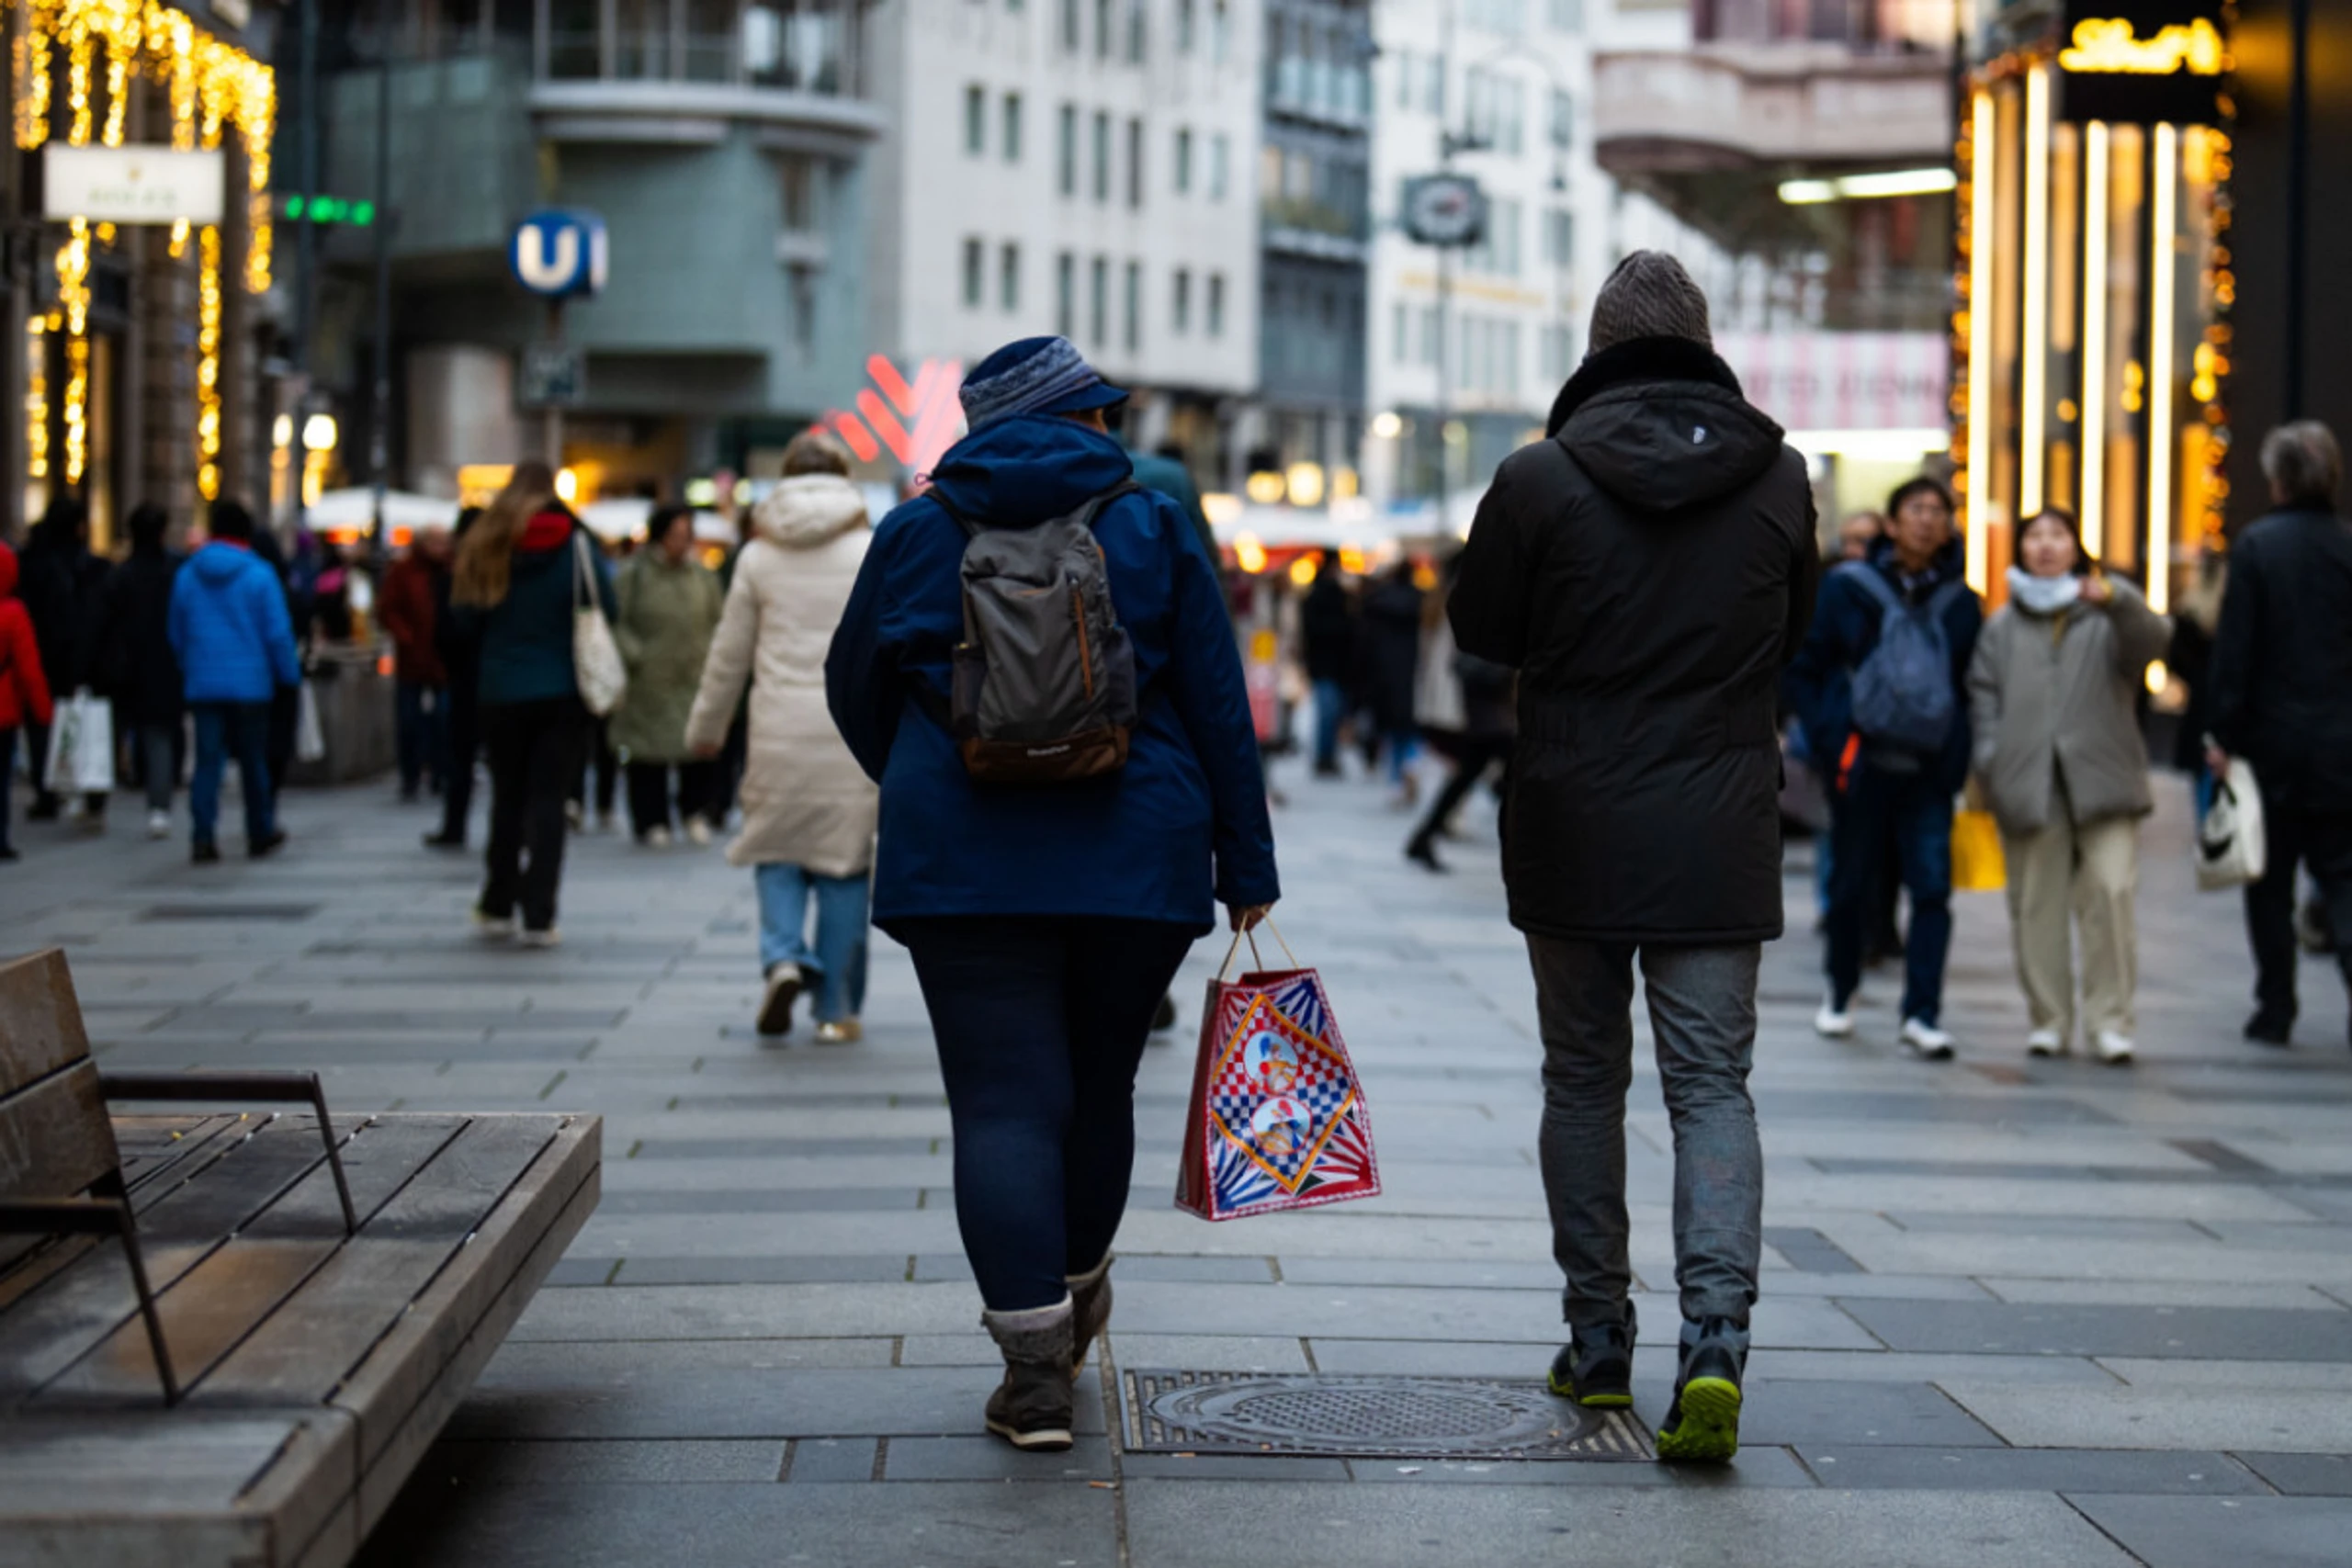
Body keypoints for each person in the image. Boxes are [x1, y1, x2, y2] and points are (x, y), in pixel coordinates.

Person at [826, 335, 1278, 1452]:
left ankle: (1032, 1374)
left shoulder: (915, 529)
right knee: (1099, 1086)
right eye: (1103, 411)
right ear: (1078, 419)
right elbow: (1220, 702)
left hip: (963, 867)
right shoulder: (1151, 522)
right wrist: (1247, 866)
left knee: (999, 1103)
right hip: (1137, 853)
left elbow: (851, 689)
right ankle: (1074, 1300)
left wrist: (932, 778)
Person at [1449, 251, 1815, 1464]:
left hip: (1575, 816)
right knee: (1712, 1083)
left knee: (1582, 1078)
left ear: (1600, 348)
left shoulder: (1540, 476)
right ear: (1702, 342)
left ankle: (1598, 1336)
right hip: (1717, 823)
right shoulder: (1780, 479)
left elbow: (1483, 629)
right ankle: (1715, 1341)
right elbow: (1793, 635)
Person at [686, 429, 879, 1043]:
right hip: (850, 734)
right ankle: (835, 1007)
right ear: (845, 479)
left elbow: (728, 656)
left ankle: (784, 957)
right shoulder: (870, 550)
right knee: (844, 866)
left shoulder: (757, 557)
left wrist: (706, 729)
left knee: (775, 852)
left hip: (775, 730)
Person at [1788, 475, 1983, 1059]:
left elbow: (1972, 687)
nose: (1927, 520)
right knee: (1850, 885)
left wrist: (1959, 756)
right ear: (1891, 524)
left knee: (1932, 890)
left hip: (1929, 769)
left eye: (1937, 511)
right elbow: (1804, 667)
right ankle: (1840, 992)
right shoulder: (1848, 589)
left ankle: (1922, 1012)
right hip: (1861, 763)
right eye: (1915, 509)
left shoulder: (1963, 603)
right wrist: (1832, 738)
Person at [1967, 507, 2171, 1065]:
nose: (2046, 546)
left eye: (2058, 535)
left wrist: (2120, 598)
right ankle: (2049, 1020)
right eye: (2035, 536)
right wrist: (1992, 759)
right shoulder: (2002, 625)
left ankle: (2111, 1022)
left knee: (2111, 893)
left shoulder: (2106, 612)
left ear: (2077, 547)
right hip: (2029, 785)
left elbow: (2155, 642)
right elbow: (1983, 697)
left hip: (2104, 781)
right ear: (2022, 550)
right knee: (2036, 906)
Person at [2207, 420, 2352, 1047]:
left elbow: (2237, 650)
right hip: (2342, 746)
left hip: (2270, 742)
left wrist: (2222, 732)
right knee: (2344, 876)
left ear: (2277, 480)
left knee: (2268, 880)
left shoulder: (2259, 547)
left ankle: (2276, 1003)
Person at [452, 461, 615, 946]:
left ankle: (498, 902)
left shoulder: (487, 541)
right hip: (563, 690)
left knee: (506, 797)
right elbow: (607, 605)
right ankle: (540, 914)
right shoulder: (577, 545)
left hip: (500, 690)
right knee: (549, 799)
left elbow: (462, 620)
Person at [166, 500, 300, 863]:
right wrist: (288, 675)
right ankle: (260, 830)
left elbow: (176, 632)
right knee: (254, 760)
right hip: (252, 685)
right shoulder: (260, 574)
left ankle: (203, 835)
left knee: (208, 761)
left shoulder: (188, 574)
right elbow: (277, 635)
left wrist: (189, 666)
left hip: (204, 682)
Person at [612, 503, 724, 847]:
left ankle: (694, 812)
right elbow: (617, 620)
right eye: (675, 536)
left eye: (686, 535)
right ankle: (651, 820)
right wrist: (636, 655)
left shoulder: (702, 576)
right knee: (648, 755)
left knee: (696, 749)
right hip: (649, 680)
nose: (681, 543)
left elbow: (719, 620)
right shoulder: (634, 575)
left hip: (693, 675)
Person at [94, 503, 187, 839]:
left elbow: (101, 624)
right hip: (163, 665)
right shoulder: (175, 573)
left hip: (122, 666)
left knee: (110, 734)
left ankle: (96, 800)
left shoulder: (119, 575)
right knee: (158, 735)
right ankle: (158, 807)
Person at [16, 497, 110, 825]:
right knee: (85, 720)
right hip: (81, 656)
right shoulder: (92, 567)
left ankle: (49, 789)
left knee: (42, 724)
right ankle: (89, 787)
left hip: (45, 654)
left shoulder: (33, 563)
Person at [380, 525, 453, 803]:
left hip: (442, 659)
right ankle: (410, 773)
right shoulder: (404, 571)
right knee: (409, 719)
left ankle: (440, 772)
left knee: (443, 719)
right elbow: (389, 609)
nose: (439, 548)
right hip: (413, 658)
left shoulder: (449, 570)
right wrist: (407, 638)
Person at [425, 508, 483, 850]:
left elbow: (444, 633)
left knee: (459, 756)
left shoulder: (454, 576)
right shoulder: (502, 572)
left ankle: (454, 825)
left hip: (464, 677)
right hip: (488, 675)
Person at [0, 539, 54, 863]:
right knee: (2, 776)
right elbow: (28, 667)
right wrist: (42, 710)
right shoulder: (14, 613)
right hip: (5, 711)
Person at [1362, 561, 1424, 802]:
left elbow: (1366, 643)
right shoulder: (1420, 604)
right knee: (1411, 727)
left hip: (1384, 674)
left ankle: (1395, 777)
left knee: (1392, 730)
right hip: (1413, 672)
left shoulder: (1377, 604)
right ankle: (1410, 764)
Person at [1300, 557, 1356, 777]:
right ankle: (1326, 756)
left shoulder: (1318, 597)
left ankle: (1327, 756)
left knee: (1328, 712)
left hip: (1326, 664)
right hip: (1331, 665)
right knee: (1329, 712)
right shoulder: (1334, 598)